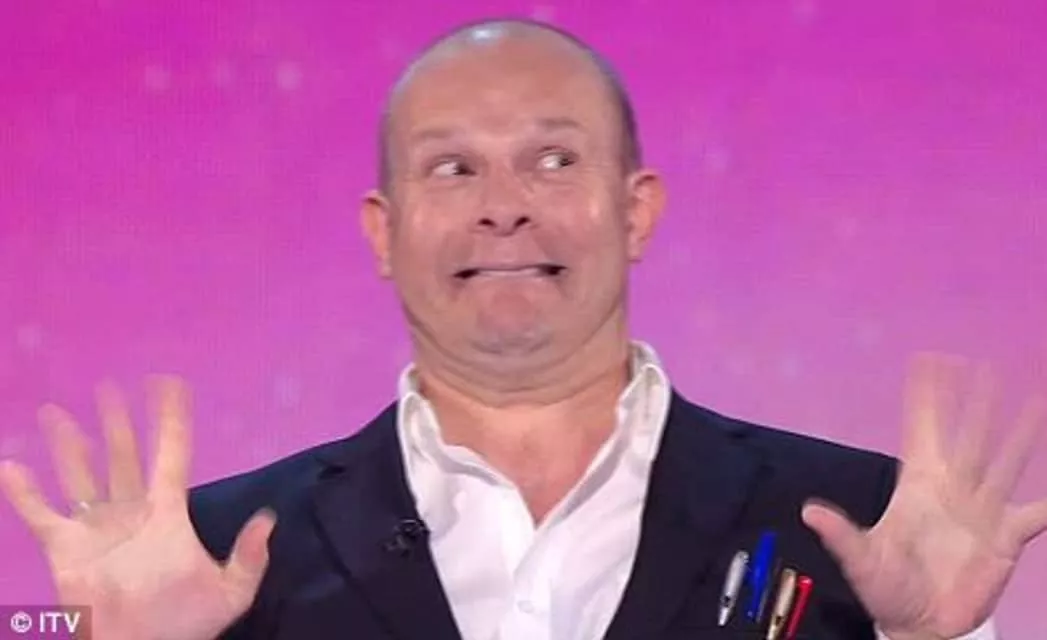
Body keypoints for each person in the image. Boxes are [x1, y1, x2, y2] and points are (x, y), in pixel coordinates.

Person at [1, 18, 1044, 640]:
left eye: (552, 160)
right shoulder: (218, 555)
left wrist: (932, 638)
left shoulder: (856, 526)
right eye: (454, 167)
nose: (503, 206)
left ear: (636, 209)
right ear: (383, 231)